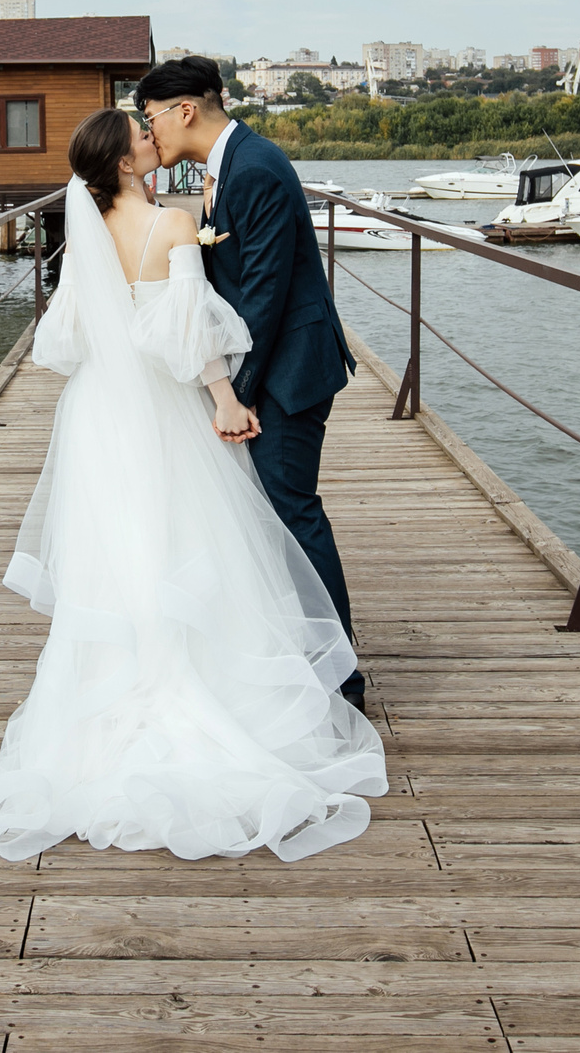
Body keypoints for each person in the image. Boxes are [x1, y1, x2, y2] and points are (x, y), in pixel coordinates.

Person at [0, 109, 386, 863]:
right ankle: (193, 679)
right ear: (126, 161)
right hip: (163, 405)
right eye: (139, 134)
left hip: (101, 408)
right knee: (184, 529)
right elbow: (193, 332)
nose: (150, 136)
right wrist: (227, 399)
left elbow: (65, 337)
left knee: (121, 542)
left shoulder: (88, 234)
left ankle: (116, 691)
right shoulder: (170, 226)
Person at [136, 55, 366, 708]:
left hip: (289, 372)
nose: (149, 130)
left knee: (293, 514)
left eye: (151, 116)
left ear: (185, 109)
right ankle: (300, 658)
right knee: (269, 520)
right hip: (270, 365)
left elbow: (264, 295)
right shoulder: (222, 166)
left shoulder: (256, 167)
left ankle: (342, 682)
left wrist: (236, 397)